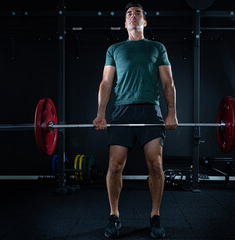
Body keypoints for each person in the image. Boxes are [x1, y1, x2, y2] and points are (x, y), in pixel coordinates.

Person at [93, 1, 178, 238]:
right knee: (114, 166)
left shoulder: (156, 47)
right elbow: (106, 83)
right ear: (124, 22)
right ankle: (114, 215)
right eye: (129, 13)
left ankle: (155, 216)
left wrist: (172, 112)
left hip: (150, 110)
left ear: (144, 21)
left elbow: (168, 82)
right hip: (121, 112)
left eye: (137, 13)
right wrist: (101, 113)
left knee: (156, 166)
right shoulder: (115, 49)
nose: (132, 16)